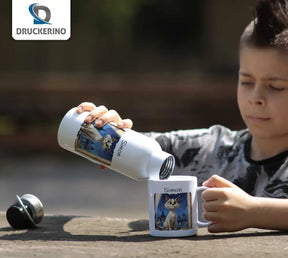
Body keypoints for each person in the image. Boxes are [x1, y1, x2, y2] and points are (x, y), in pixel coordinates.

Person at [76, 0, 288, 233]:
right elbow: (131, 148)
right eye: (246, 82)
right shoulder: (212, 148)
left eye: (276, 86)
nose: (255, 97)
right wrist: (103, 126)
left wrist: (255, 211)